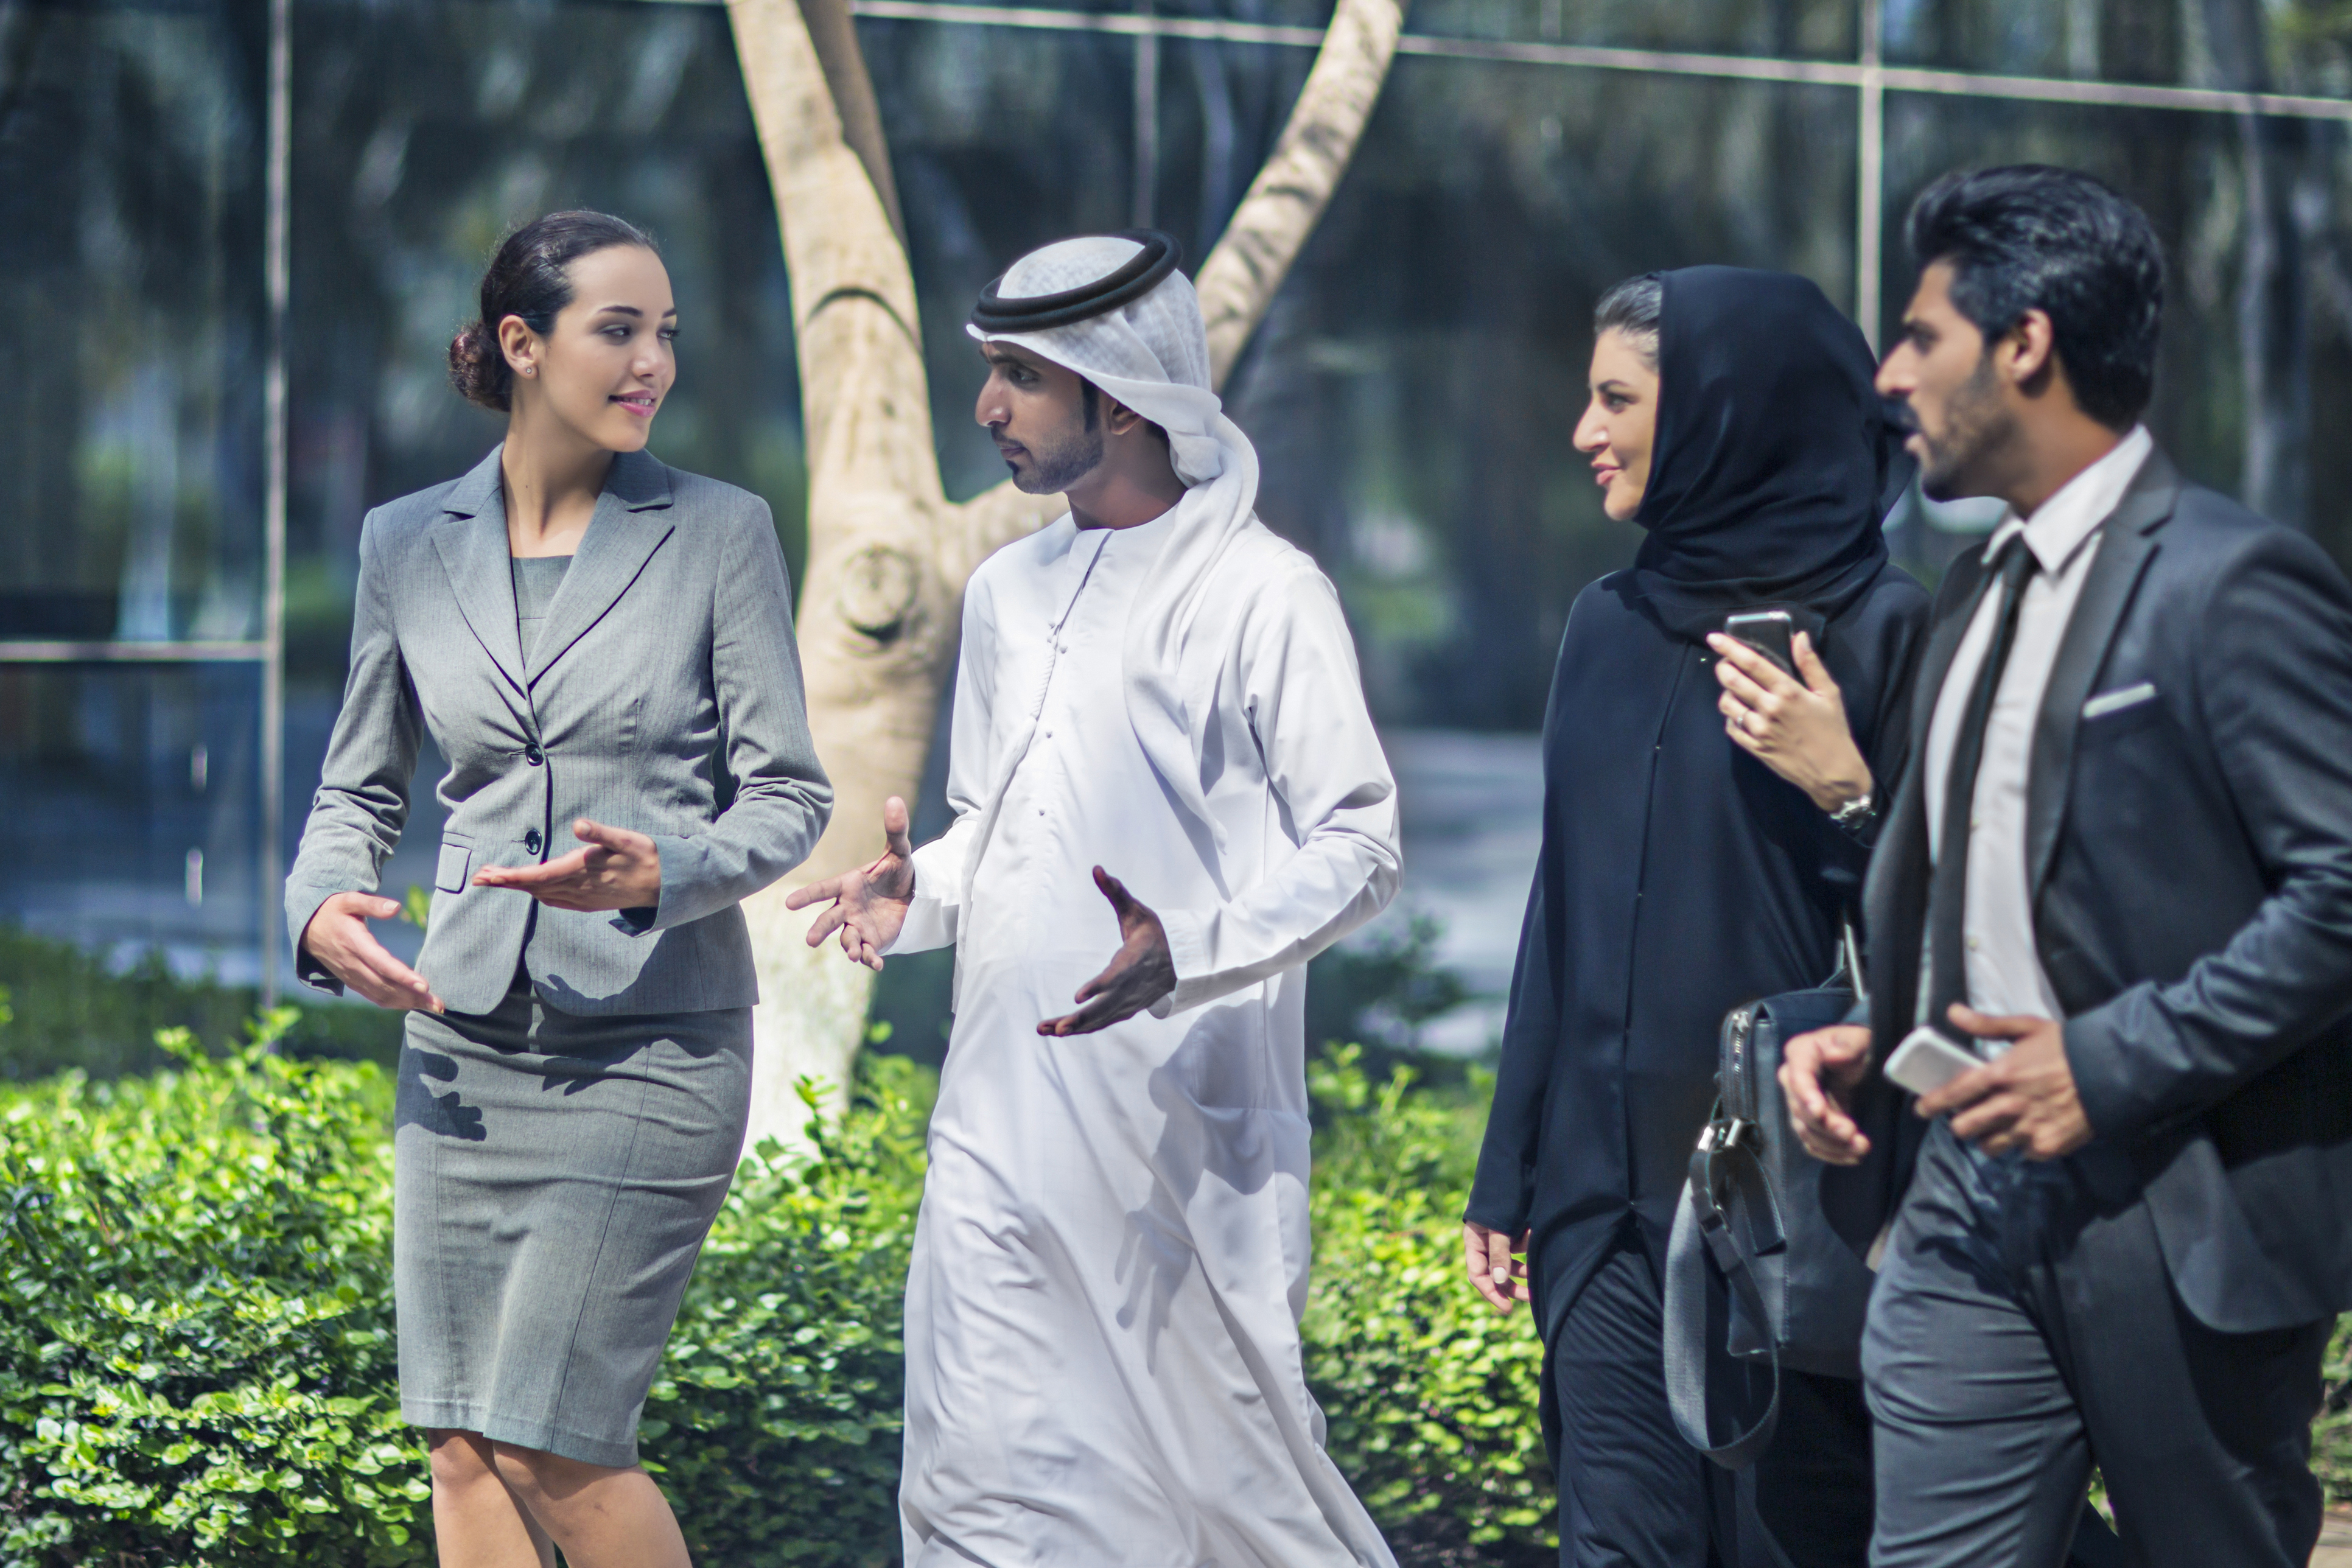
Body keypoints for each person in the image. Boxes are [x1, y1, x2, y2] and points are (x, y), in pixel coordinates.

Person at [787, 231, 1402, 1567]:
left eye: (1017, 377)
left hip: (1177, 1161)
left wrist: (1189, 949)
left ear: (1120, 394)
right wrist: (919, 893)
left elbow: (1363, 840)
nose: (986, 409)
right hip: (995, 1134)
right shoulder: (1009, 593)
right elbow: (994, 836)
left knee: (1231, 1515)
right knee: (976, 1495)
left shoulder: (1265, 593)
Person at [1780, 164, 2352, 1568]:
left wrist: (2104, 1062)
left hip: (2182, 1213)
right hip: (1961, 1202)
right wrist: (1885, 1026)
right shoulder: (1974, 591)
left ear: (2025, 341)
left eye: (1920, 336)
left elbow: (2342, 890)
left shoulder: (2231, 580)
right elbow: (1994, 875)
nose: (1885, 377)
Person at [283, 211, 831, 1568]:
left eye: (668, 336)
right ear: (521, 345)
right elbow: (360, 785)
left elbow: (791, 798)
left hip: (653, 1040)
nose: (653, 363)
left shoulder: (719, 533)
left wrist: (669, 868)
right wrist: (319, 900)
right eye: (619, 330)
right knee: (463, 1447)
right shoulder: (405, 542)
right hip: (462, 1040)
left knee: (551, 1435)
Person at [1462, 267, 1929, 1567]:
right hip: (1604, 1208)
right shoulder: (1604, 624)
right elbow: (1562, 904)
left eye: (1617, 398)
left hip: (1792, 1202)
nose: (1582, 430)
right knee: (1621, 1541)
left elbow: (1953, 917)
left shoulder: (1884, 630)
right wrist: (1513, 1169)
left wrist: (1845, 782)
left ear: (1726, 411)